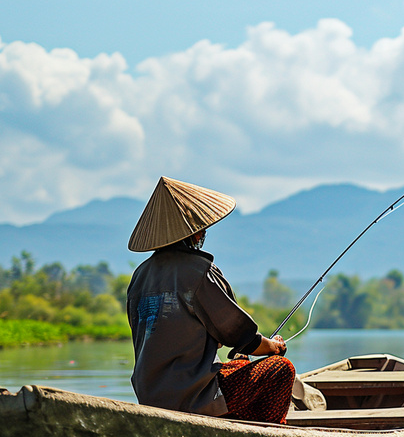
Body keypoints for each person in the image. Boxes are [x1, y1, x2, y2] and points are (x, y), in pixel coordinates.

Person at [123, 176, 294, 424]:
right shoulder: (199, 271)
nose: (203, 232)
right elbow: (240, 336)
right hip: (191, 397)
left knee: (240, 362)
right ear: (192, 234)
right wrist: (273, 347)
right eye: (199, 228)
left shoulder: (140, 276)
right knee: (280, 370)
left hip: (150, 396)